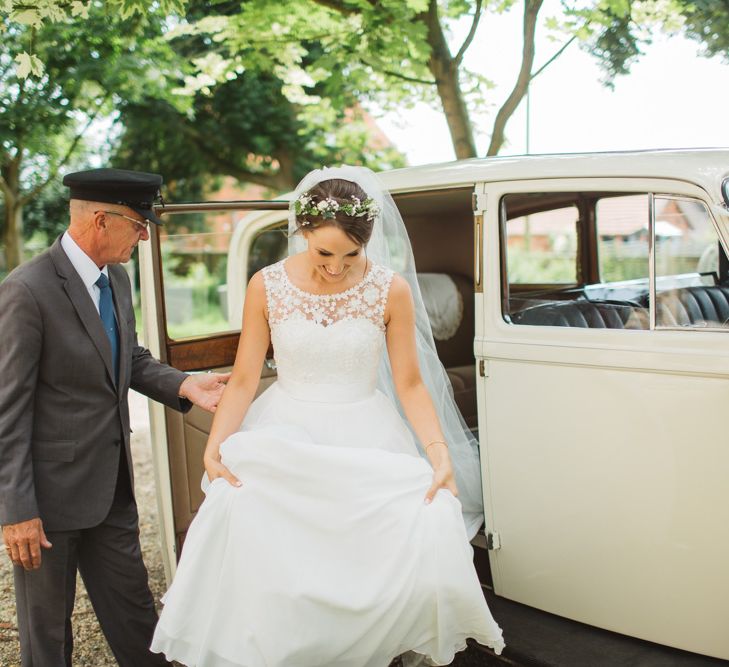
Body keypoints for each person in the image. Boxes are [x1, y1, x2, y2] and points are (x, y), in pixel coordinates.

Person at [151, 166, 504, 666]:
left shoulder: (390, 290)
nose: (336, 268)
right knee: (281, 575)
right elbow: (246, 377)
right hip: (286, 436)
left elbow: (408, 383)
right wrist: (215, 445)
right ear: (301, 233)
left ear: (367, 244)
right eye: (322, 254)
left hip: (368, 439)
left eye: (351, 255)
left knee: (369, 573)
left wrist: (438, 454)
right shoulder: (266, 285)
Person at [0, 168, 231, 667]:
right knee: (48, 641)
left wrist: (184, 384)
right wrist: (16, 509)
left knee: (137, 624)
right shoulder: (27, 290)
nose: (145, 234)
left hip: (112, 492)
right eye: (138, 222)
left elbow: (129, 357)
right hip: (47, 504)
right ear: (101, 220)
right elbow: (8, 411)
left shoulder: (118, 278)